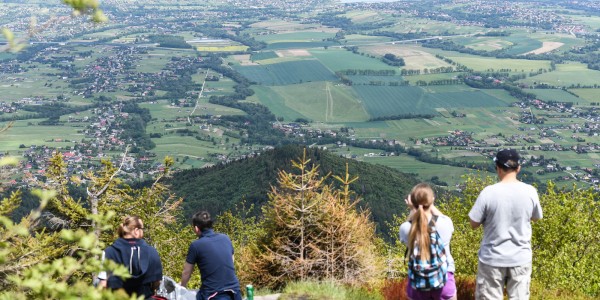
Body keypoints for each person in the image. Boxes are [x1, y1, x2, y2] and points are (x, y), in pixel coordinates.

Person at [469, 149, 543, 300]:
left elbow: (473, 223)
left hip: (492, 257)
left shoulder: (488, 192)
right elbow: (536, 218)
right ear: (518, 168)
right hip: (520, 257)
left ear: (497, 167)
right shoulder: (530, 191)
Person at [399, 183, 457, 300]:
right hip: (444, 280)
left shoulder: (405, 228)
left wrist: (413, 209)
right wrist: (430, 205)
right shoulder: (445, 223)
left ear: (412, 203)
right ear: (432, 201)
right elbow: (442, 218)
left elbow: (415, 222)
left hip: (417, 283)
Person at [180, 211, 242, 300]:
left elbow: (186, 272)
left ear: (196, 228)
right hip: (234, 292)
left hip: (212, 294)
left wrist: (182, 287)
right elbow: (231, 261)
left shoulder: (196, 245)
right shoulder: (226, 238)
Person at [98, 215, 163, 299]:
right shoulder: (151, 251)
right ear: (136, 231)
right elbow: (156, 282)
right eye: (142, 229)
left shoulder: (109, 252)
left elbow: (103, 285)